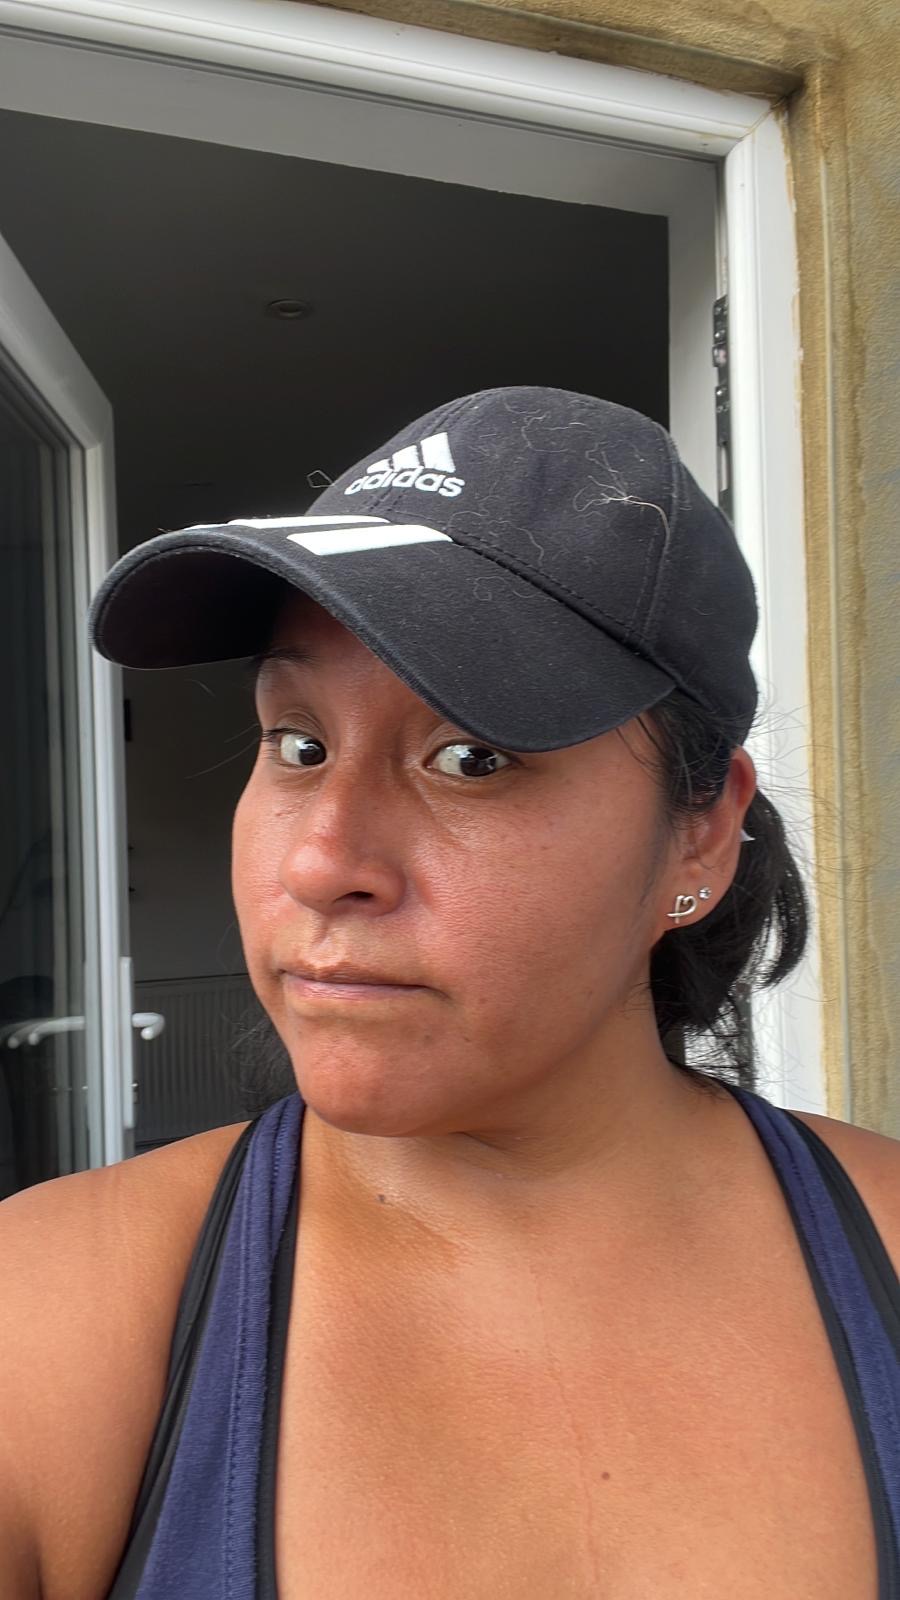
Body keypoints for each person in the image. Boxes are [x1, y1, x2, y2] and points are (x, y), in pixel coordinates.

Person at [0, 385, 898, 1600]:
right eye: (299, 743)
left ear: (699, 831)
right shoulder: (48, 1321)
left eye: (471, 758)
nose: (321, 860)